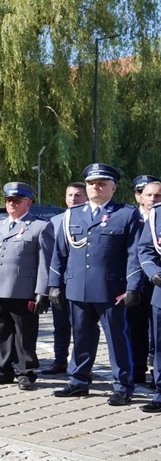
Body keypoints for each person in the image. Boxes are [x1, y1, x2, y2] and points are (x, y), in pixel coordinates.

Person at [49, 163, 144, 405]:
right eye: (91, 183)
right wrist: (54, 284)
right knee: (80, 336)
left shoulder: (126, 214)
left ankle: (123, 385)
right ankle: (78, 381)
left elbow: (134, 254)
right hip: (77, 287)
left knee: (116, 339)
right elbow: (59, 253)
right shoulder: (73, 214)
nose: (95, 187)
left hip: (111, 290)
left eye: (101, 183)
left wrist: (133, 287)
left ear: (113, 187)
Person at [0, 182, 54, 390]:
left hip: (23, 289)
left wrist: (42, 292)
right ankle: (3, 370)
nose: (11, 203)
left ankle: (26, 371)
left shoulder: (40, 226)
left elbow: (44, 263)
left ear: (28, 202)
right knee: (2, 331)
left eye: (16, 200)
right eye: (8, 200)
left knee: (24, 333)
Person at [42, 182, 88, 374]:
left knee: (81, 326)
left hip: (81, 281)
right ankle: (60, 360)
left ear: (86, 198)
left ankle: (82, 365)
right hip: (60, 281)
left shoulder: (90, 218)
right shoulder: (55, 221)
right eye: (69, 195)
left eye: (78, 195)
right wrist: (51, 284)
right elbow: (50, 255)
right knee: (60, 325)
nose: (73, 199)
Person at [128, 174, 160, 387]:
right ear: (138, 196)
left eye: (158, 195)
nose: (152, 199)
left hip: (157, 283)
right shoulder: (130, 217)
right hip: (135, 281)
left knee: (156, 334)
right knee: (135, 328)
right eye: (147, 194)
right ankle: (137, 370)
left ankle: (154, 371)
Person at [135, 180, 161, 412]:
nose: (154, 199)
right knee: (159, 345)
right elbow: (144, 250)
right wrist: (154, 273)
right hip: (160, 290)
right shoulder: (156, 216)